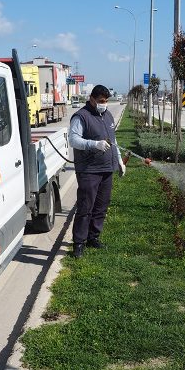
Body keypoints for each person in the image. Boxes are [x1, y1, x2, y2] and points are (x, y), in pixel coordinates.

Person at [68, 84, 126, 259]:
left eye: (106, 101)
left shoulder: (107, 115)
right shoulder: (81, 117)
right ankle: (79, 243)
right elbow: (73, 139)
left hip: (107, 168)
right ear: (92, 99)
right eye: (101, 101)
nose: (104, 104)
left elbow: (113, 141)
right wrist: (94, 144)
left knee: (101, 206)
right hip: (89, 170)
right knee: (86, 207)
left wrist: (119, 161)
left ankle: (93, 237)